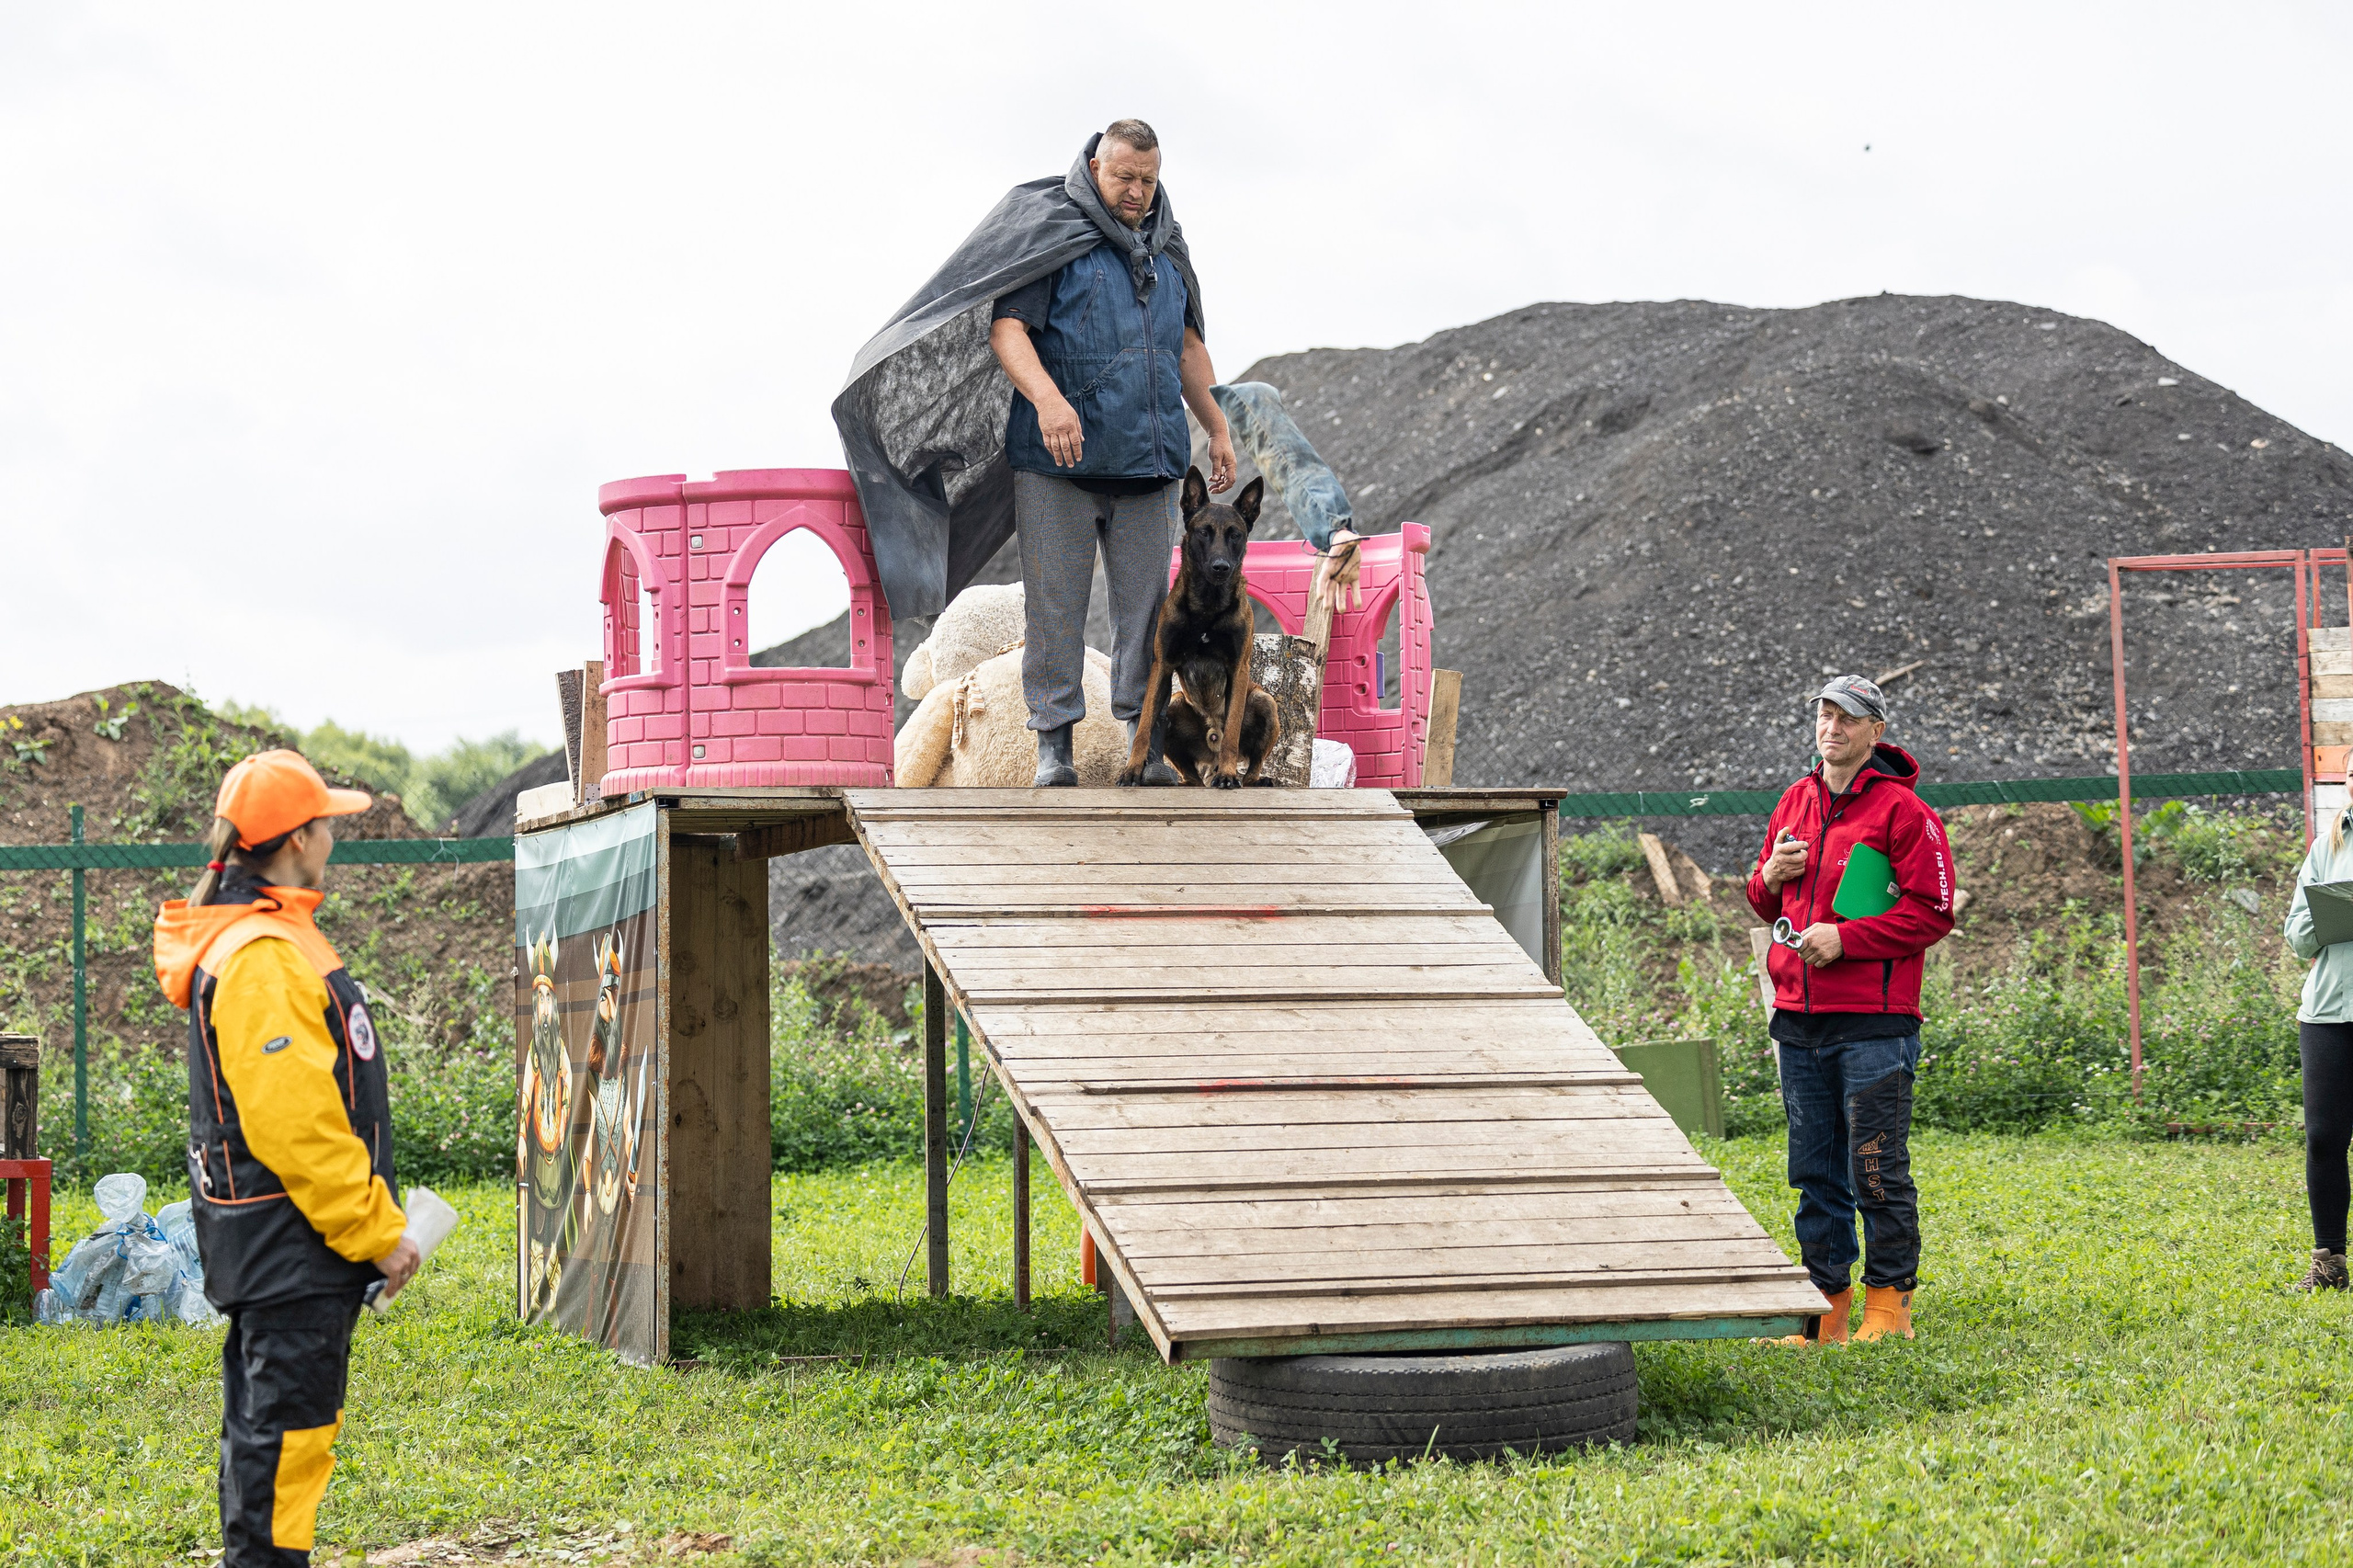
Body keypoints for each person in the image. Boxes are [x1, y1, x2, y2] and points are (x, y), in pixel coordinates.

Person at [153, 750, 416, 1566]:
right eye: (328, 821)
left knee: (273, 1436)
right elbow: (294, 1124)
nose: (335, 832)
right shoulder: (263, 955)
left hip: (282, 1244)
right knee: (288, 1444)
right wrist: (374, 1229)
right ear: (298, 838)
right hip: (294, 1243)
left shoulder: (267, 935)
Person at [988, 119, 1237, 785]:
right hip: (1057, 464)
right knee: (1054, 604)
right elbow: (1008, 330)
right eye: (1124, 176)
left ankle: (1143, 738)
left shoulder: (1168, 245)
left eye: (1148, 180)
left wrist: (1217, 424)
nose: (1136, 191)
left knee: (1149, 610)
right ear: (1095, 165)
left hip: (1148, 460)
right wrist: (1047, 400)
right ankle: (1054, 747)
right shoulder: (1051, 229)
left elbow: (1187, 349)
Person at [1745, 676, 1955, 1345]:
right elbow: (1764, 899)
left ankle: (1889, 1310)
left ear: (1875, 732)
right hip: (1798, 1018)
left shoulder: (1906, 813)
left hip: (1874, 1023)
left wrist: (1848, 938)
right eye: (1825, 715)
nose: (1831, 728)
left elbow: (1932, 911)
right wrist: (1768, 879)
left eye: (1847, 718)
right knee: (1813, 1171)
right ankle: (1825, 1308)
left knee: (1876, 1165)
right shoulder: (1793, 801)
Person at [2283, 808, 2353, 1291]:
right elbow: (2297, 934)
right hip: (2328, 1012)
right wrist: (2338, 912)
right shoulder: (2327, 844)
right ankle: (2329, 1265)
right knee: (2324, 1137)